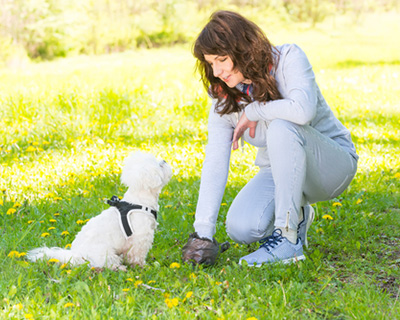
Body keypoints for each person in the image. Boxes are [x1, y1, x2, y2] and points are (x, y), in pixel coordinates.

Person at [181, 10, 358, 267]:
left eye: (222, 59)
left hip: (331, 167)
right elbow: (215, 161)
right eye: (210, 63)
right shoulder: (224, 96)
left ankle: (287, 238)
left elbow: (302, 110)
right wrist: (203, 232)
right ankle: (296, 214)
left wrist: (255, 110)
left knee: (282, 126)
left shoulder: (288, 58)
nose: (217, 71)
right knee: (241, 228)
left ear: (243, 49)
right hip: (278, 171)